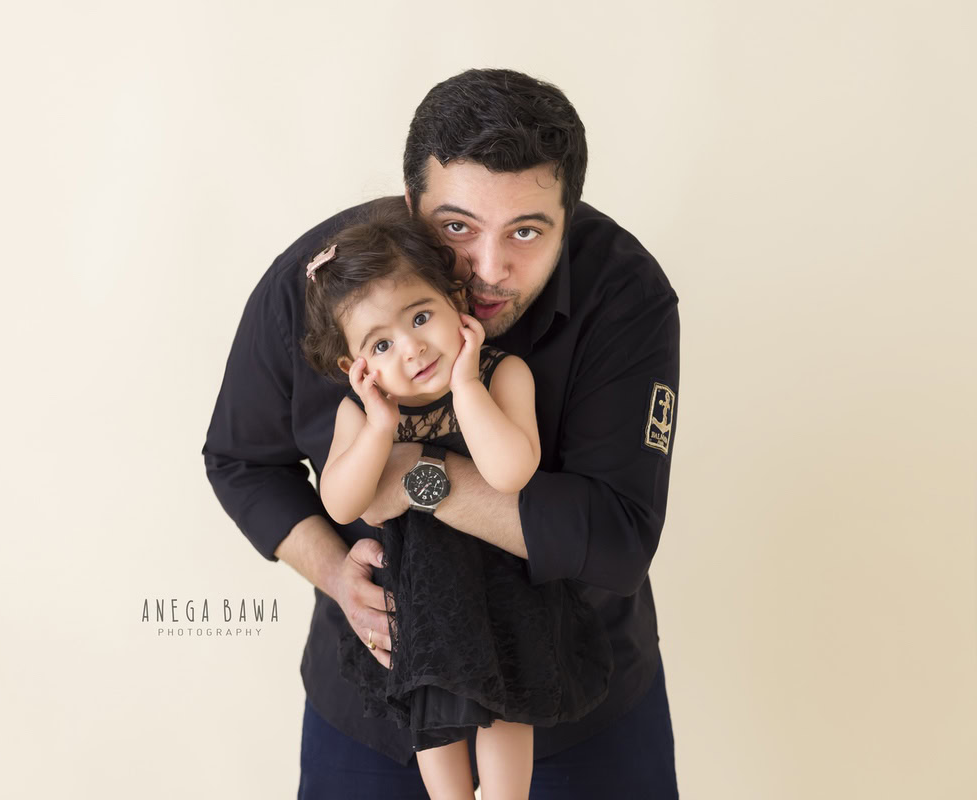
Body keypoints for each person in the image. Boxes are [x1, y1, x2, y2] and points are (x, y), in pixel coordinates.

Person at [204, 68, 680, 798]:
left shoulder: (627, 297)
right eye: (457, 228)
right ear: (408, 205)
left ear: (569, 215)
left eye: (527, 230)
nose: (489, 270)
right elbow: (241, 461)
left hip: (581, 700)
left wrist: (416, 478)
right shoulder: (311, 287)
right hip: (380, 705)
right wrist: (337, 574)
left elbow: (615, 539)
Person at [300, 200, 614, 799]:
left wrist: (466, 384)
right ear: (354, 367)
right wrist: (378, 429)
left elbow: (510, 471)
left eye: (420, 318)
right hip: (420, 596)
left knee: (507, 703)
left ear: (457, 304)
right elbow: (344, 504)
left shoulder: (501, 374)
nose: (411, 349)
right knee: (433, 713)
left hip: (503, 583)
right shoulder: (358, 415)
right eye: (381, 346)